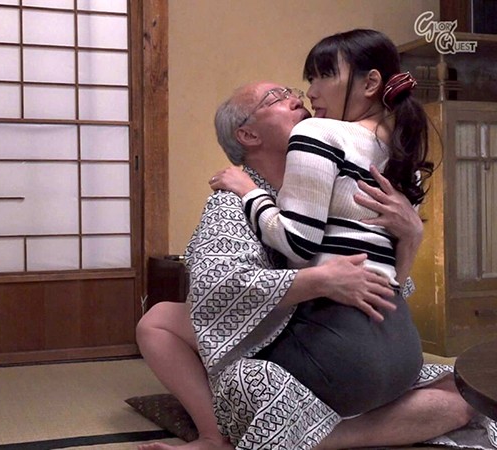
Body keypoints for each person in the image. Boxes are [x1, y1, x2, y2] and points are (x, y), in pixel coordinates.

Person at [137, 32, 497, 449]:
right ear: (248, 136)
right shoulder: (231, 201)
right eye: (275, 98)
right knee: (165, 325)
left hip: (354, 340)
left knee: (463, 394)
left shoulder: (345, 171)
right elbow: (216, 287)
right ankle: (214, 436)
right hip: (294, 338)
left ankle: (299, 434)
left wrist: (412, 236)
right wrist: (320, 281)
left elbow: (388, 286)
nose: (299, 97)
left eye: (294, 89)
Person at [210, 28, 431, 419]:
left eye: (324, 75)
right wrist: (413, 235)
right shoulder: (400, 153)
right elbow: (395, 279)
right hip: (404, 349)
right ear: (246, 134)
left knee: (224, 366)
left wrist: (248, 191)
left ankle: (300, 434)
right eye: (309, 79)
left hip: (342, 354)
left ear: (371, 83)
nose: (307, 94)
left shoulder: (315, 133)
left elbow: (298, 245)